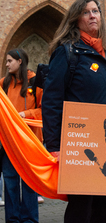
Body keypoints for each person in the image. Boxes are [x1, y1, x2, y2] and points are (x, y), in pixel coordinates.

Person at [41, 0, 106, 223]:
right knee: (81, 207)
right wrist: (55, 147)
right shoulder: (68, 53)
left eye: (95, 11)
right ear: (76, 19)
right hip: (81, 144)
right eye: (86, 12)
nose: (92, 15)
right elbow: (51, 101)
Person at [0, 48, 43, 223]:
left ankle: (29, 220)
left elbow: (45, 110)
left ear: (20, 61)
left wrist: (26, 114)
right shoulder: (3, 84)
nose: (7, 64)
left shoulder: (36, 82)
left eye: (10, 61)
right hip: (9, 143)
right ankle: (12, 220)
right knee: (10, 184)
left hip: (29, 143)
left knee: (29, 184)